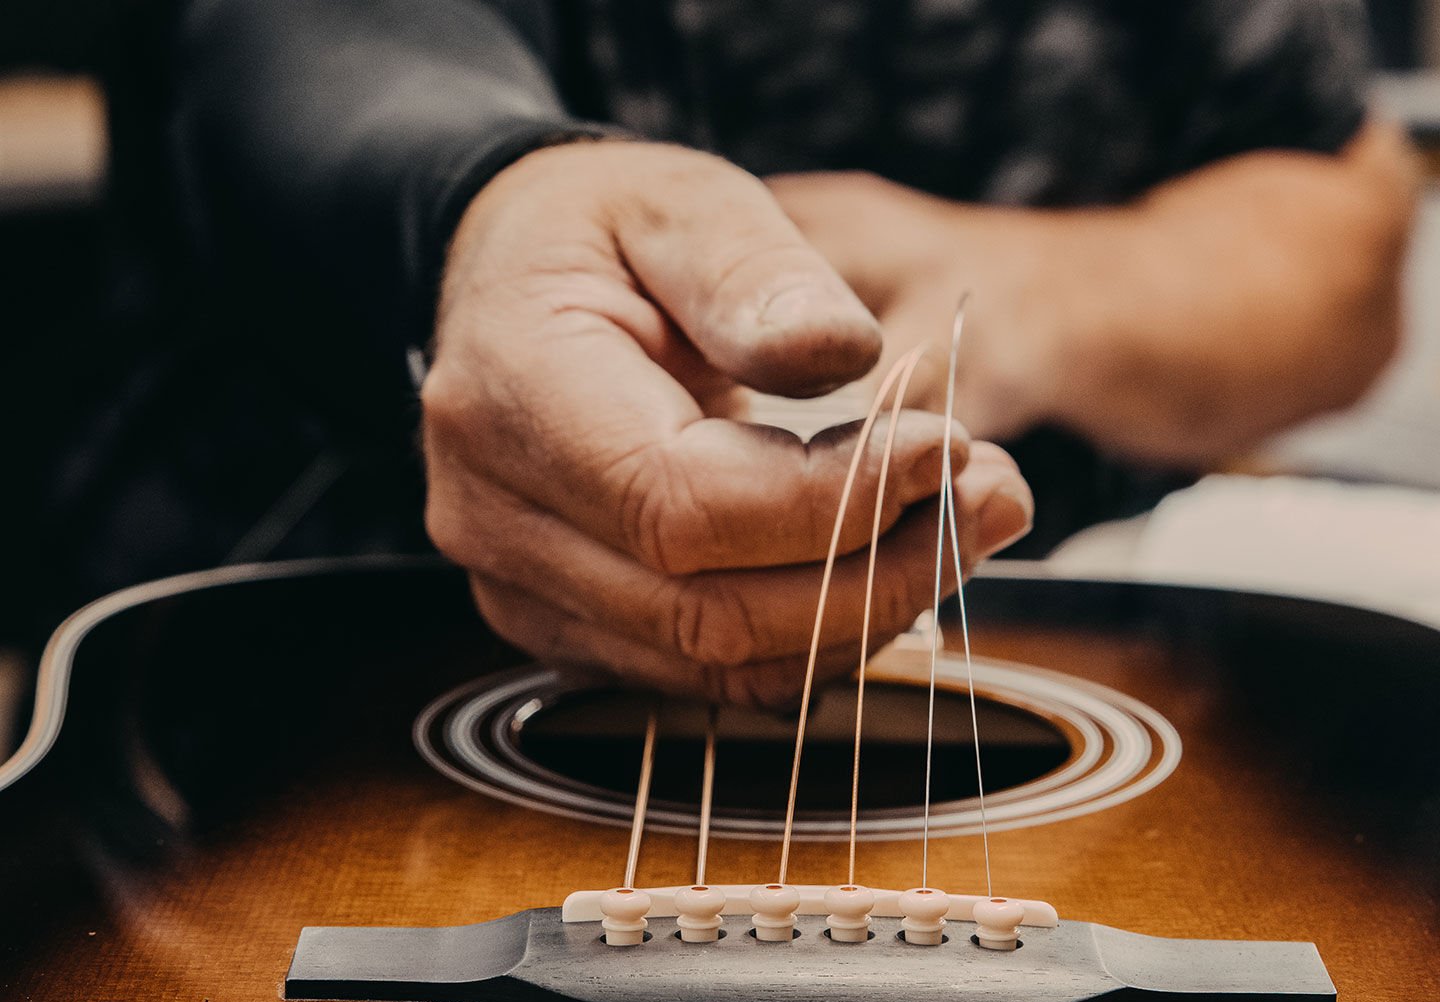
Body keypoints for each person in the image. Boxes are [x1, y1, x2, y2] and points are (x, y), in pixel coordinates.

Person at [33, 0, 1415, 704]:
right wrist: (496, 201)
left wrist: (1026, 295)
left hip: (1047, 686)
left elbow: (1328, 205)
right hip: (281, 694)